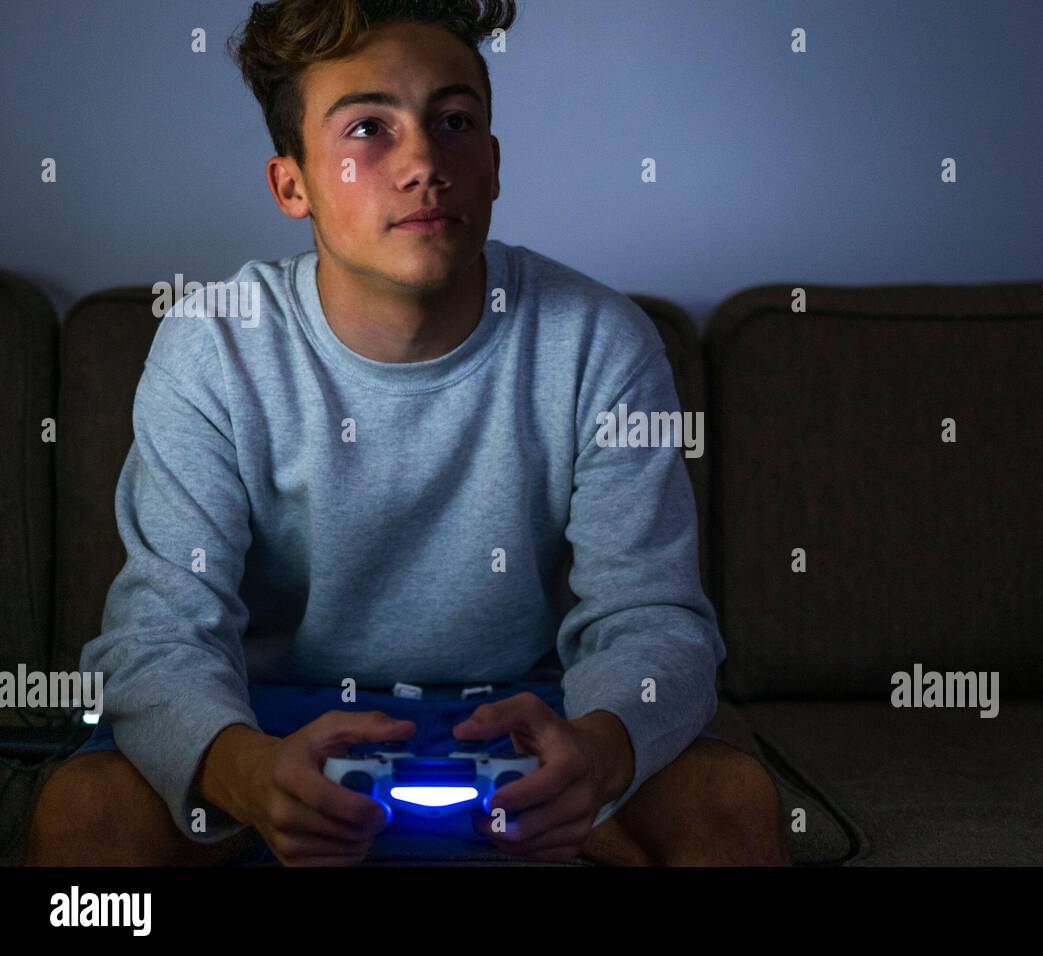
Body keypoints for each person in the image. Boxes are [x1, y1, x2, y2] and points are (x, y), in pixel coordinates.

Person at [24, 0, 789, 867]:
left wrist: (600, 752)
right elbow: (160, 630)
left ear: (494, 165)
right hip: (273, 720)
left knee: (729, 803)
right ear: (293, 184)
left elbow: (651, 617)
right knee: (86, 812)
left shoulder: (600, 340)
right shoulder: (213, 344)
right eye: (367, 129)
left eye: (453, 121)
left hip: (522, 723)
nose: (424, 162)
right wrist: (244, 772)